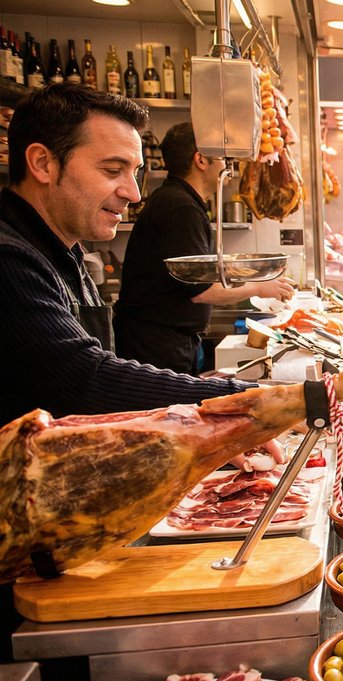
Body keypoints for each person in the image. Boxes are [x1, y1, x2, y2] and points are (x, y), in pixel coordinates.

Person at [0, 84, 276, 433]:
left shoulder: (65, 251)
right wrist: (252, 399)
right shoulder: (10, 259)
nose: (133, 192)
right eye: (113, 170)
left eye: (136, 173)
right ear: (43, 163)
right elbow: (87, 379)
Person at [113, 122, 295, 375]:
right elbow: (201, 290)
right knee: (170, 412)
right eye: (222, 157)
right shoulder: (181, 208)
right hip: (157, 344)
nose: (228, 166)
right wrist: (261, 287)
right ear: (200, 160)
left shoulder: (180, 201)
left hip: (163, 338)